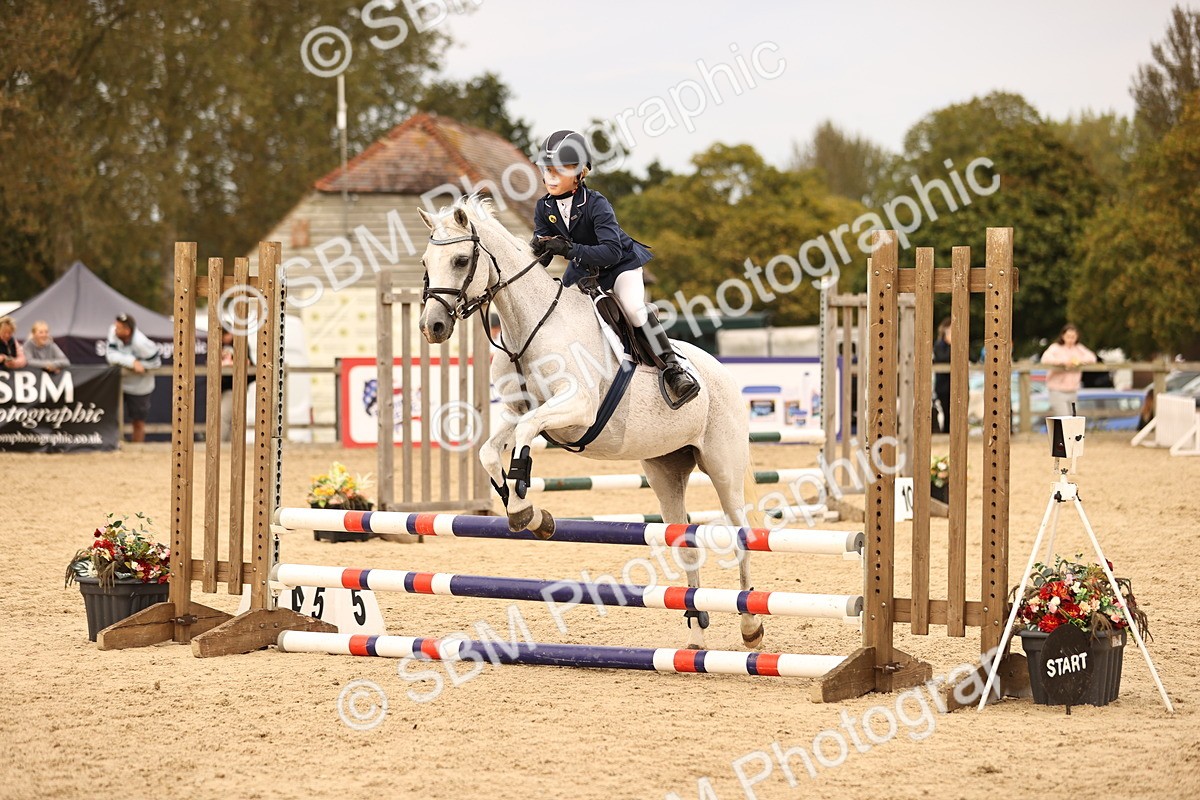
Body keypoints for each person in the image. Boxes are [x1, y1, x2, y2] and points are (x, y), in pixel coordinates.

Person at [528, 129, 699, 405]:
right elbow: (542, 250)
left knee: (633, 309)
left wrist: (568, 250)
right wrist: (536, 253)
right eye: (547, 170)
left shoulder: (597, 204)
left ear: (580, 173)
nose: (550, 177)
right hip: (583, 271)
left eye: (559, 170)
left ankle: (674, 370)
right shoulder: (543, 206)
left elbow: (610, 251)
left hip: (620, 266)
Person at [106, 312, 161, 442]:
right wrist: (132, 362)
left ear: (127, 331)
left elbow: (156, 363)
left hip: (140, 387)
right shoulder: (113, 332)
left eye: (118, 328)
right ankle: (115, 445)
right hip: (119, 384)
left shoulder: (142, 343)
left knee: (138, 422)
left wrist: (140, 364)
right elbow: (110, 356)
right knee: (112, 418)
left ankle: (137, 450)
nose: (115, 329)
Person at [1041, 323, 1096, 417]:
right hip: (1057, 390)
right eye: (1068, 336)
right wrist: (1063, 362)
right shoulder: (1055, 347)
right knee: (1063, 417)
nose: (1071, 339)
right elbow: (1045, 359)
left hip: (1073, 390)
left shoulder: (1079, 348)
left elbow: (1092, 357)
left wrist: (1079, 361)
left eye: (1073, 337)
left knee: (1073, 418)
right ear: (1063, 336)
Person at [932, 318, 952, 433]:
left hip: (955, 384)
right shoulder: (939, 345)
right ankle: (946, 432)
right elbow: (943, 359)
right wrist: (951, 345)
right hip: (943, 386)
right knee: (945, 411)